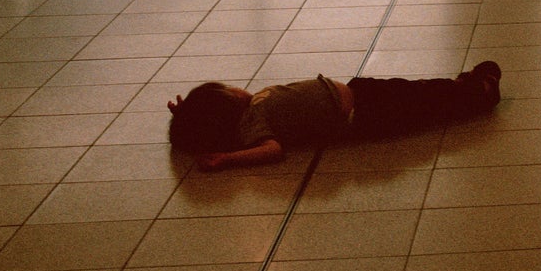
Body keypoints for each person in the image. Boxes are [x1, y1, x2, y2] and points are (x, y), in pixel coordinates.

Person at [167, 62, 500, 169]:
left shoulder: (252, 108)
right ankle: (479, 93)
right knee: (422, 103)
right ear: (227, 107)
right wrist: (228, 158)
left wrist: (189, 114)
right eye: (228, 90)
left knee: (419, 93)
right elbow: (273, 150)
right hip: (365, 114)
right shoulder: (252, 123)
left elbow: (209, 117)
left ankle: (464, 89)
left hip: (360, 94)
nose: (237, 88)